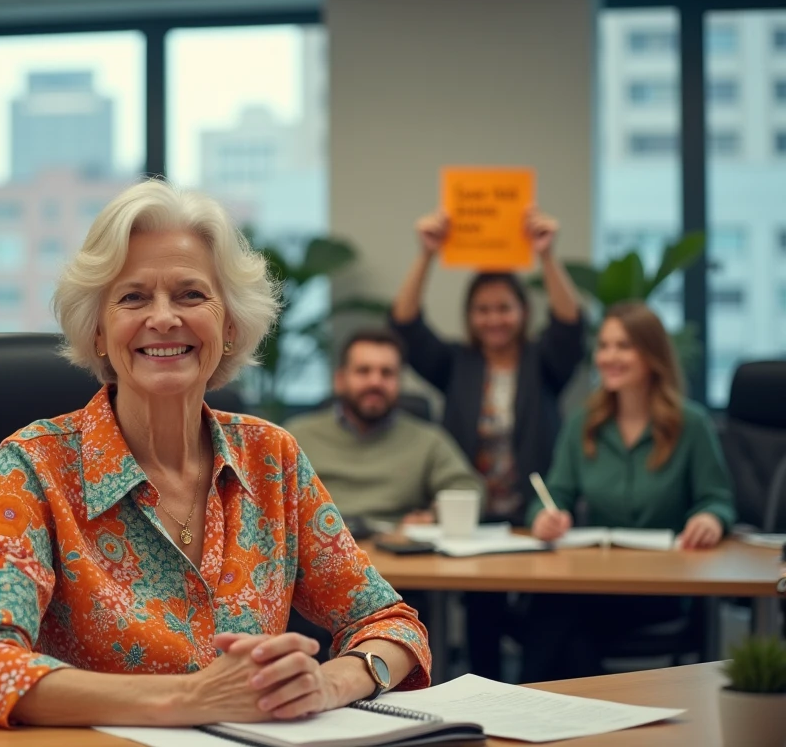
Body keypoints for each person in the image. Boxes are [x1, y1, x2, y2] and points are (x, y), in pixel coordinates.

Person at [0, 180, 431, 728]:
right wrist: (191, 700)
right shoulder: (36, 465)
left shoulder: (272, 458)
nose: (164, 318)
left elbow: (393, 624)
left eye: (191, 294)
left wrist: (327, 683)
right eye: (132, 297)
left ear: (228, 326)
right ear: (99, 330)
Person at [391, 207, 584, 681]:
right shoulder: (457, 363)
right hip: (473, 521)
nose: (494, 318)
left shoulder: (544, 363)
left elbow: (570, 326)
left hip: (535, 519)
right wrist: (426, 255)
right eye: (483, 309)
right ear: (470, 317)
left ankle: (534, 695)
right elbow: (406, 324)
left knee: (547, 621)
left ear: (522, 313)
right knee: (482, 619)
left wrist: (547, 256)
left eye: (504, 308)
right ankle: (485, 701)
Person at [522, 301, 736, 682]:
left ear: (652, 355)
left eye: (623, 346)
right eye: (603, 346)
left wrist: (709, 518)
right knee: (563, 620)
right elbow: (553, 493)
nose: (608, 357)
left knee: (557, 617)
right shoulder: (583, 424)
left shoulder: (692, 424)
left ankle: (518, 706)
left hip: (661, 587)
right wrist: (544, 516)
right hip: (596, 582)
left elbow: (716, 497)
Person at [286, 328, 481, 527]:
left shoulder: (428, 440)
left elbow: (469, 490)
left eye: (387, 373)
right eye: (363, 371)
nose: (375, 382)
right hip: (318, 547)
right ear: (340, 380)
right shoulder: (297, 437)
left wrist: (433, 516)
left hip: (399, 548)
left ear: (400, 382)